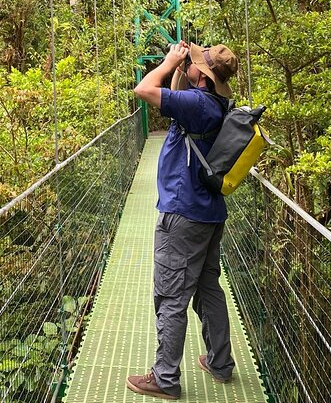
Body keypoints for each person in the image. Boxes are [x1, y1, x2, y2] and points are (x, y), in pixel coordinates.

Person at [126, 41, 238, 400]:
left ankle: (165, 378)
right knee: (207, 289)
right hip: (210, 214)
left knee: (171, 295)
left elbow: (143, 90)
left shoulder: (197, 104)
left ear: (202, 76)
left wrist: (168, 61)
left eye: (194, 63)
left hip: (183, 213)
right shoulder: (217, 104)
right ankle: (220, 363)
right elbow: (176, 99)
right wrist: (182, 68)